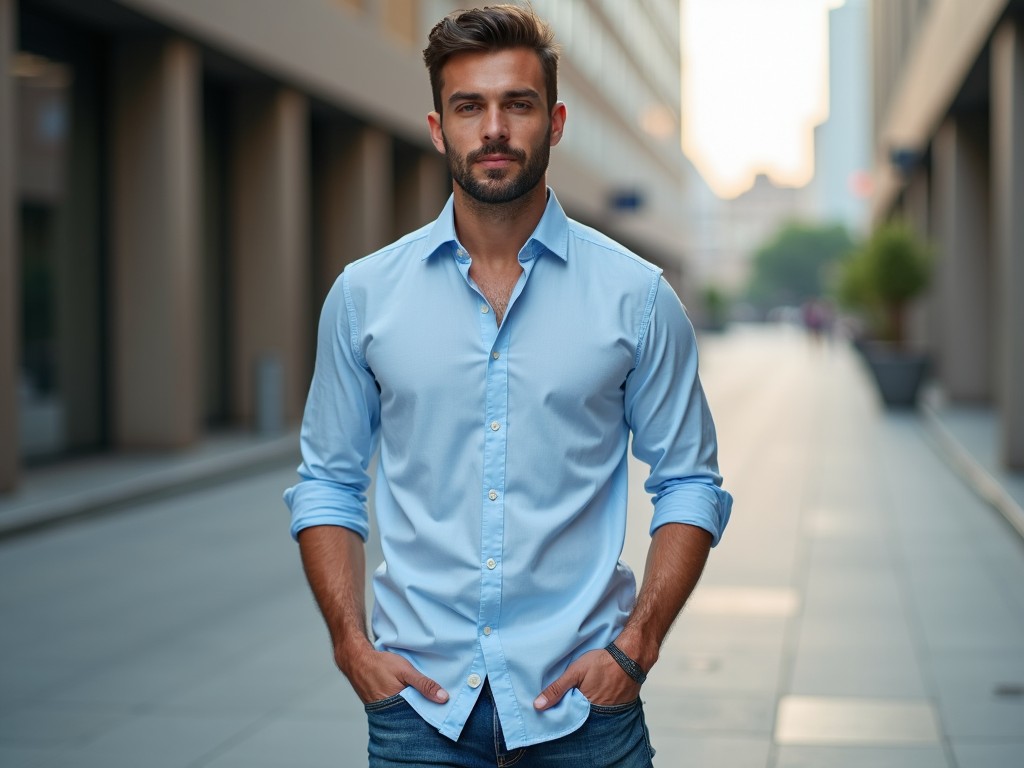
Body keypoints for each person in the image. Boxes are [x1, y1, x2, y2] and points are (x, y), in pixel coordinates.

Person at [284, 5, 732, 766]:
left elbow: (690, 481)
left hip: (587, 713)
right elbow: (327, 482)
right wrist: (351, 647)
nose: (494, 128)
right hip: (419, 713)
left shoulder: (638, 297)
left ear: (554, 122)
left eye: (517, 104)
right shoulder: (365, 297)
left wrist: (636, 648)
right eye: (470, 106)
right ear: (438, 127)